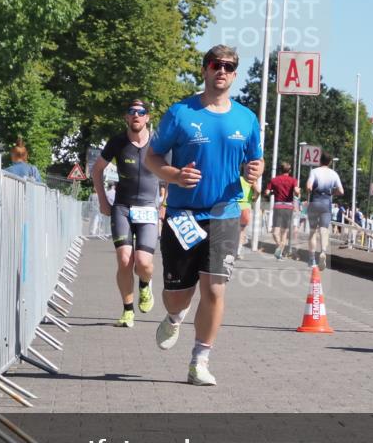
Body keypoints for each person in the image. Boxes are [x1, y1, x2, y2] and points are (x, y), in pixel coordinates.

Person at [144, 45, 263, 386]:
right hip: (183, 214)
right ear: (205, 69)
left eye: (228, 66)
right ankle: (174, 316)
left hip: (224, 213)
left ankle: (200, 360)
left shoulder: (246, 119)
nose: (221, 70)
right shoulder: (181, 113)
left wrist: (254, 172)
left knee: (214, 289)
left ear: (235, 74)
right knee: (178, 293)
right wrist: (174, 176)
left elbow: (255, 161)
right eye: (215, 64)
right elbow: (152, 158)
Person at [90, 99, 161, 328]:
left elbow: (170, 174)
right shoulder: (118, 142)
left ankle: (145, 284)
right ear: (126, 117)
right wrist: (102, 199)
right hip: (122, 207)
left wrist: (166, 205)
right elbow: (97, 169)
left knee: (143, 263)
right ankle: (127, 310)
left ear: (147, 118)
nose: (136, 116)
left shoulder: (158, 143)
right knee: (124, 260)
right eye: (132, 112)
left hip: (149, 208)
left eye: (141, 113)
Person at [305, 152, 345, 270]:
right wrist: (332, 192)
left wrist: (309, 190)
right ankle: (323, 251)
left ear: (319, 161)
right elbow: (341, 191)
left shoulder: (314, 172)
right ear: (330, 162)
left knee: (312, 231)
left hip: (315, 201)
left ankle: (312, 258)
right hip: (326, 203)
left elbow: (308, 186)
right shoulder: (334, 174)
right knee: (324, 230)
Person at [265, 161, 300, 259]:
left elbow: (267, 192)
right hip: (288, 207)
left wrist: (273, 192)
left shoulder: (274, 180)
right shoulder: (293, 180)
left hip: (278, 207)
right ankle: (280, 250)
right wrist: (297, 193)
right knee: (284, 232)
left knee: (275, 232)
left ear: (280, 170)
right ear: (290, 170)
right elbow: (296, 192)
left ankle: (279, 248)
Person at [236, 170, 260, 259]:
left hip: (234, 206)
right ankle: (238, 251)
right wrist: (254, 198)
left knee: (232, 229)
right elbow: (258, 191)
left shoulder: (238, 179)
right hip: (245, 206)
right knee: (241, 231)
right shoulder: (252, 181)